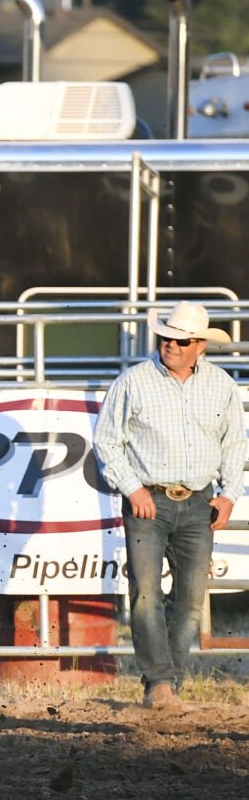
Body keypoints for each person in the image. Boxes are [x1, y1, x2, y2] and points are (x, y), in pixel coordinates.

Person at [93, 302, 245, 708]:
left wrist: (229, 494)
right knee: (146, 592)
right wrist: (133, 489)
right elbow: (106, 441)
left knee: (191, 599)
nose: (170, 345)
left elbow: (234, 445)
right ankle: (159, 683)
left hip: (199, 501)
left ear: (199, 345)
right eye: (166, 337)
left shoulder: (222, 385)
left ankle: (166, 684)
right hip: (149, 499)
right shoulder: (134, 381)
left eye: (180, 340)